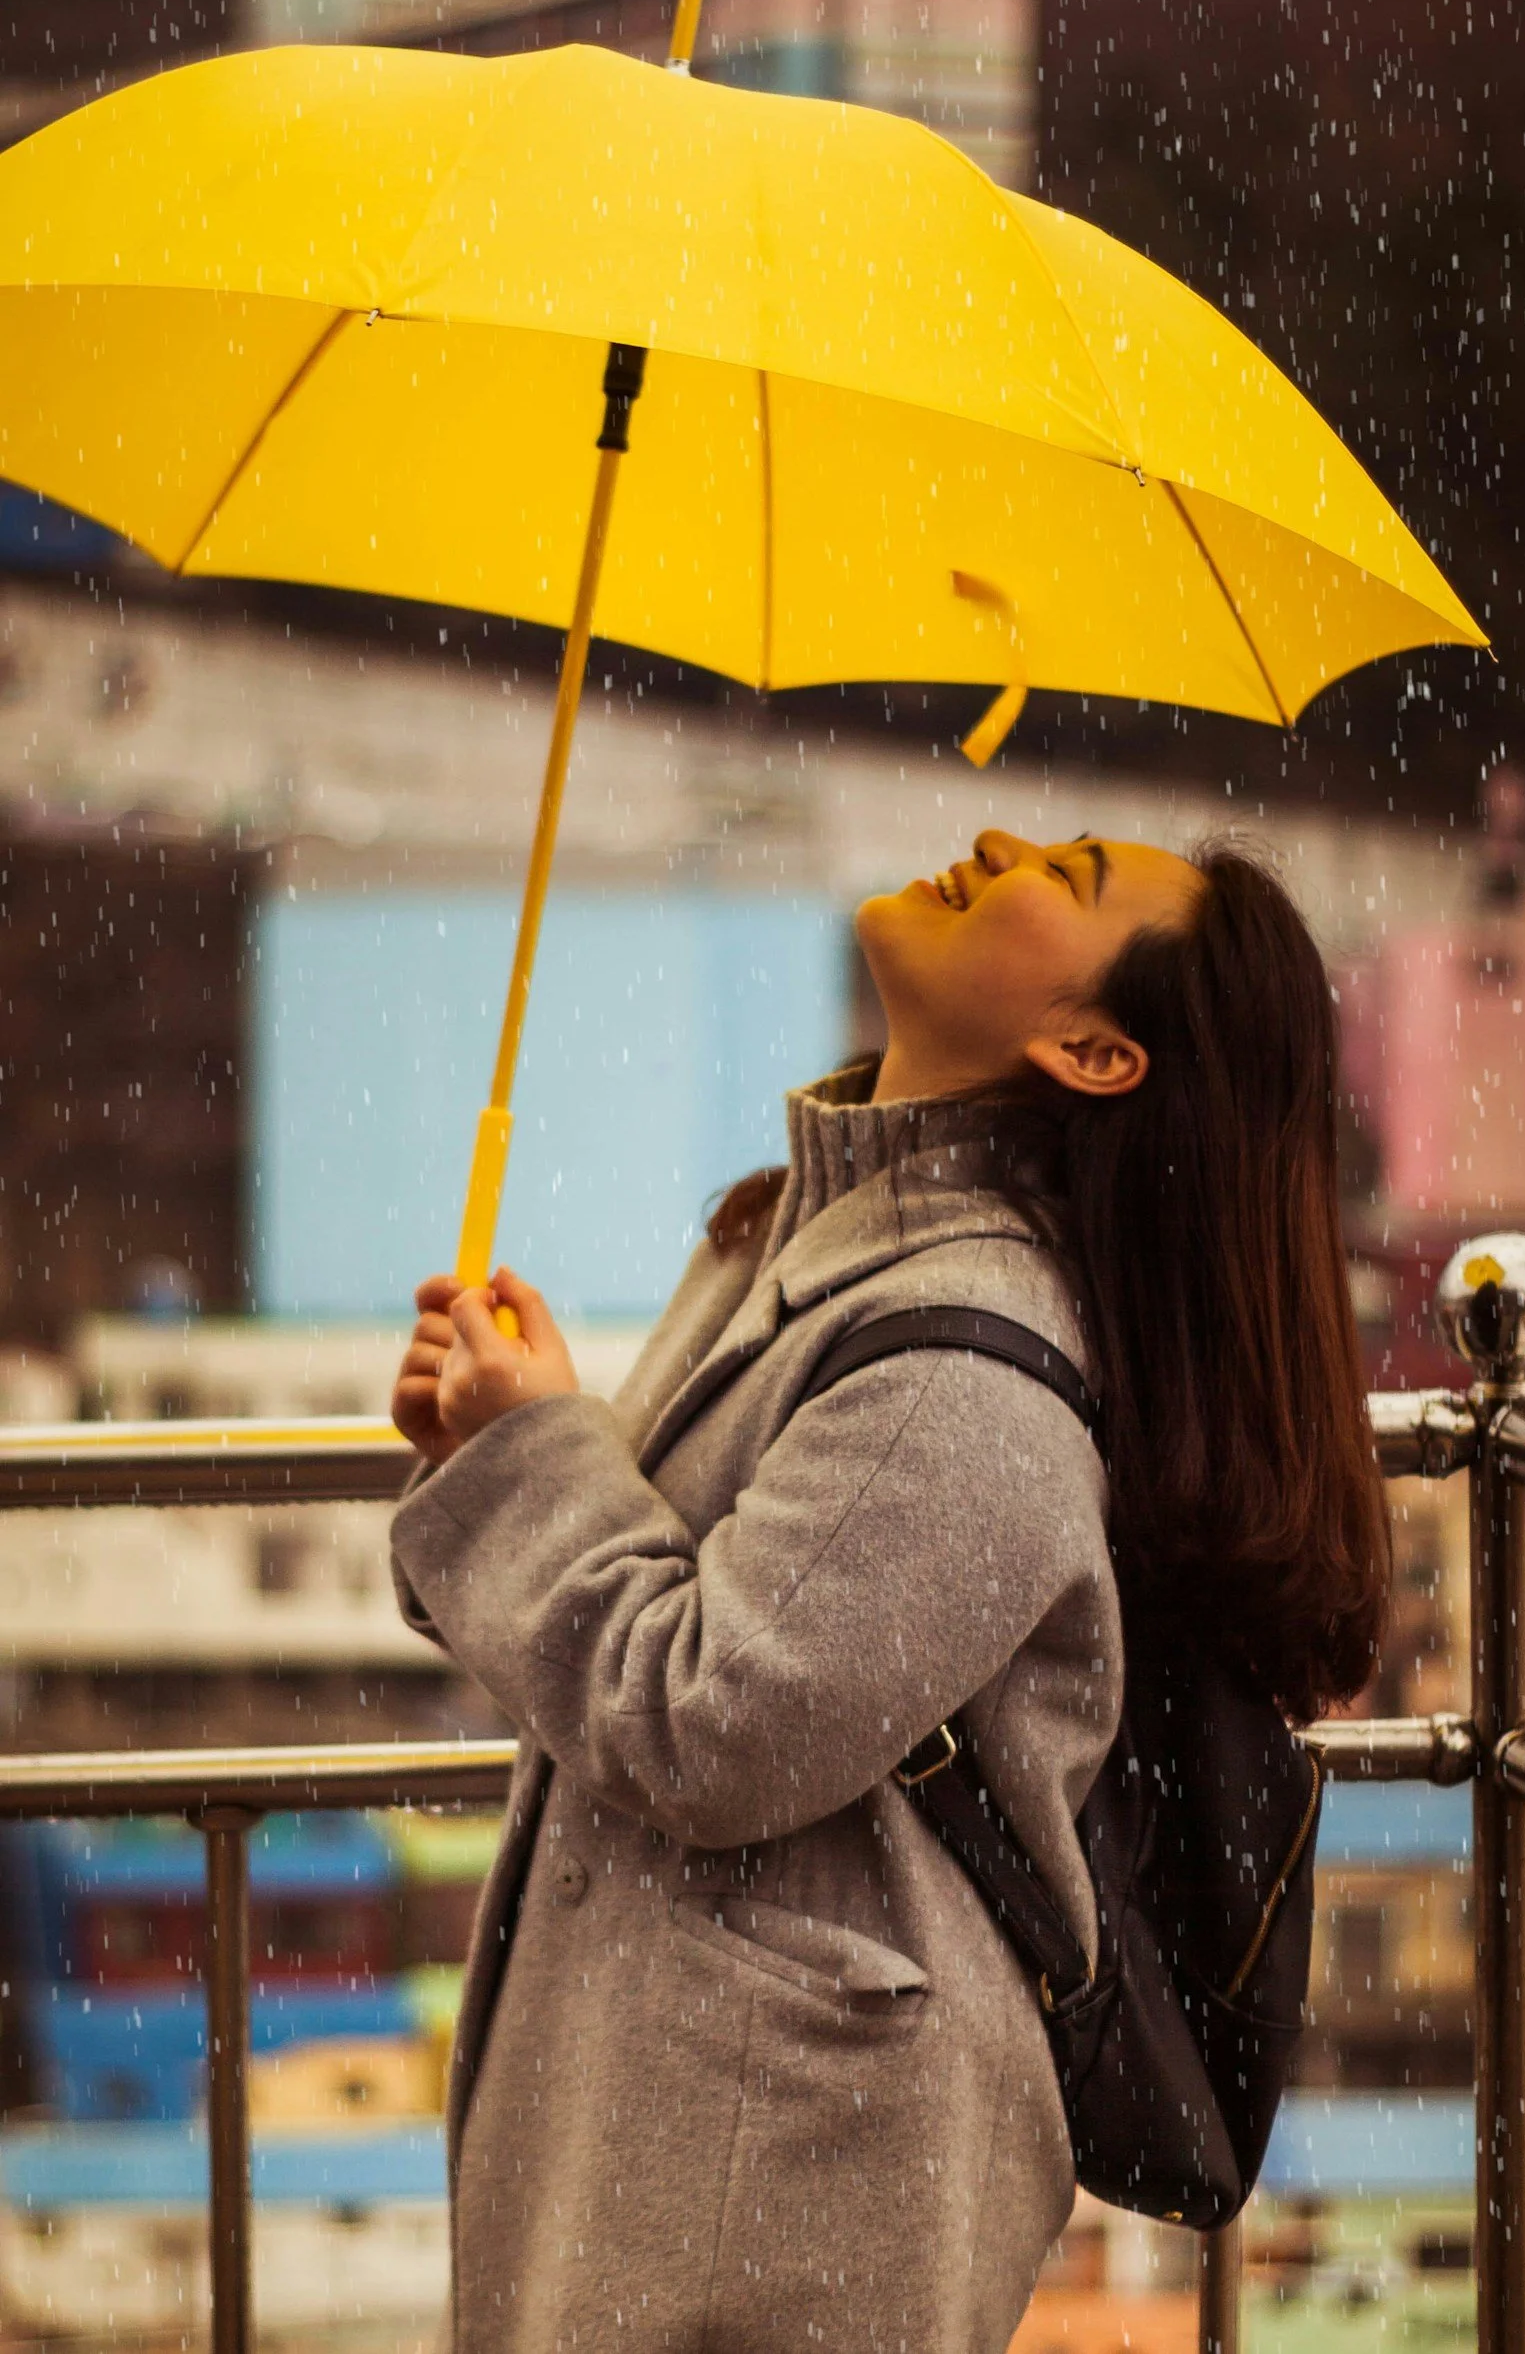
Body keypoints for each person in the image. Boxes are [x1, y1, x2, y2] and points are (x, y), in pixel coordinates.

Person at [389, 829, 1389, 2354]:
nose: (997, 840)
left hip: (790, 2174)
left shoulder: (965, 1376)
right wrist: (500, 1440)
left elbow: (702, 1723)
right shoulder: (785, 1241)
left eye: (1069, 871)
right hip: (694, 2116)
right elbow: (638, 1615)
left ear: (1090, 1048)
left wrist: (528, 1456)